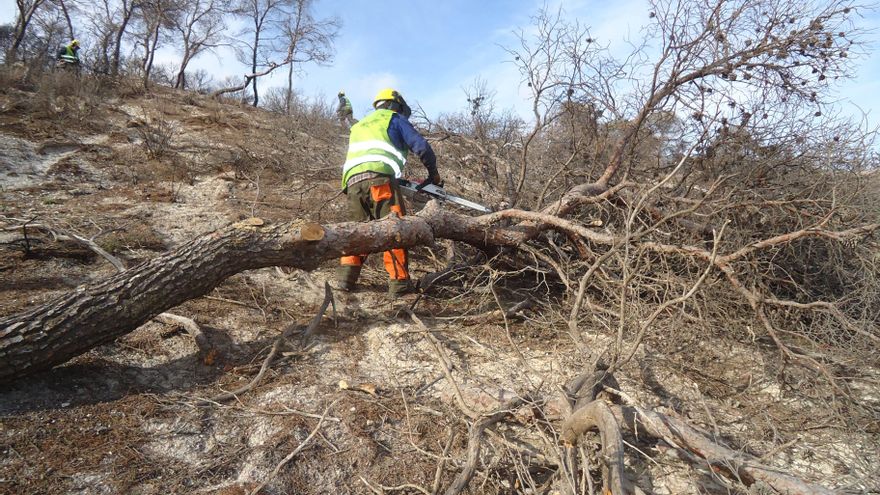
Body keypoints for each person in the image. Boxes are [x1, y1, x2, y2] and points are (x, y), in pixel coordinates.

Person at [337, 88, 442, 296]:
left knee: (357, 233)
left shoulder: (360, 126)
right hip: (380, 182)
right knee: (395, 231)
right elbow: (421, 146)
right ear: (395, 105)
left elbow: (367, 150)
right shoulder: (393, 118)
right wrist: (433, 174)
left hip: (353, 186)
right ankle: (400, 286)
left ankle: (345, 281)